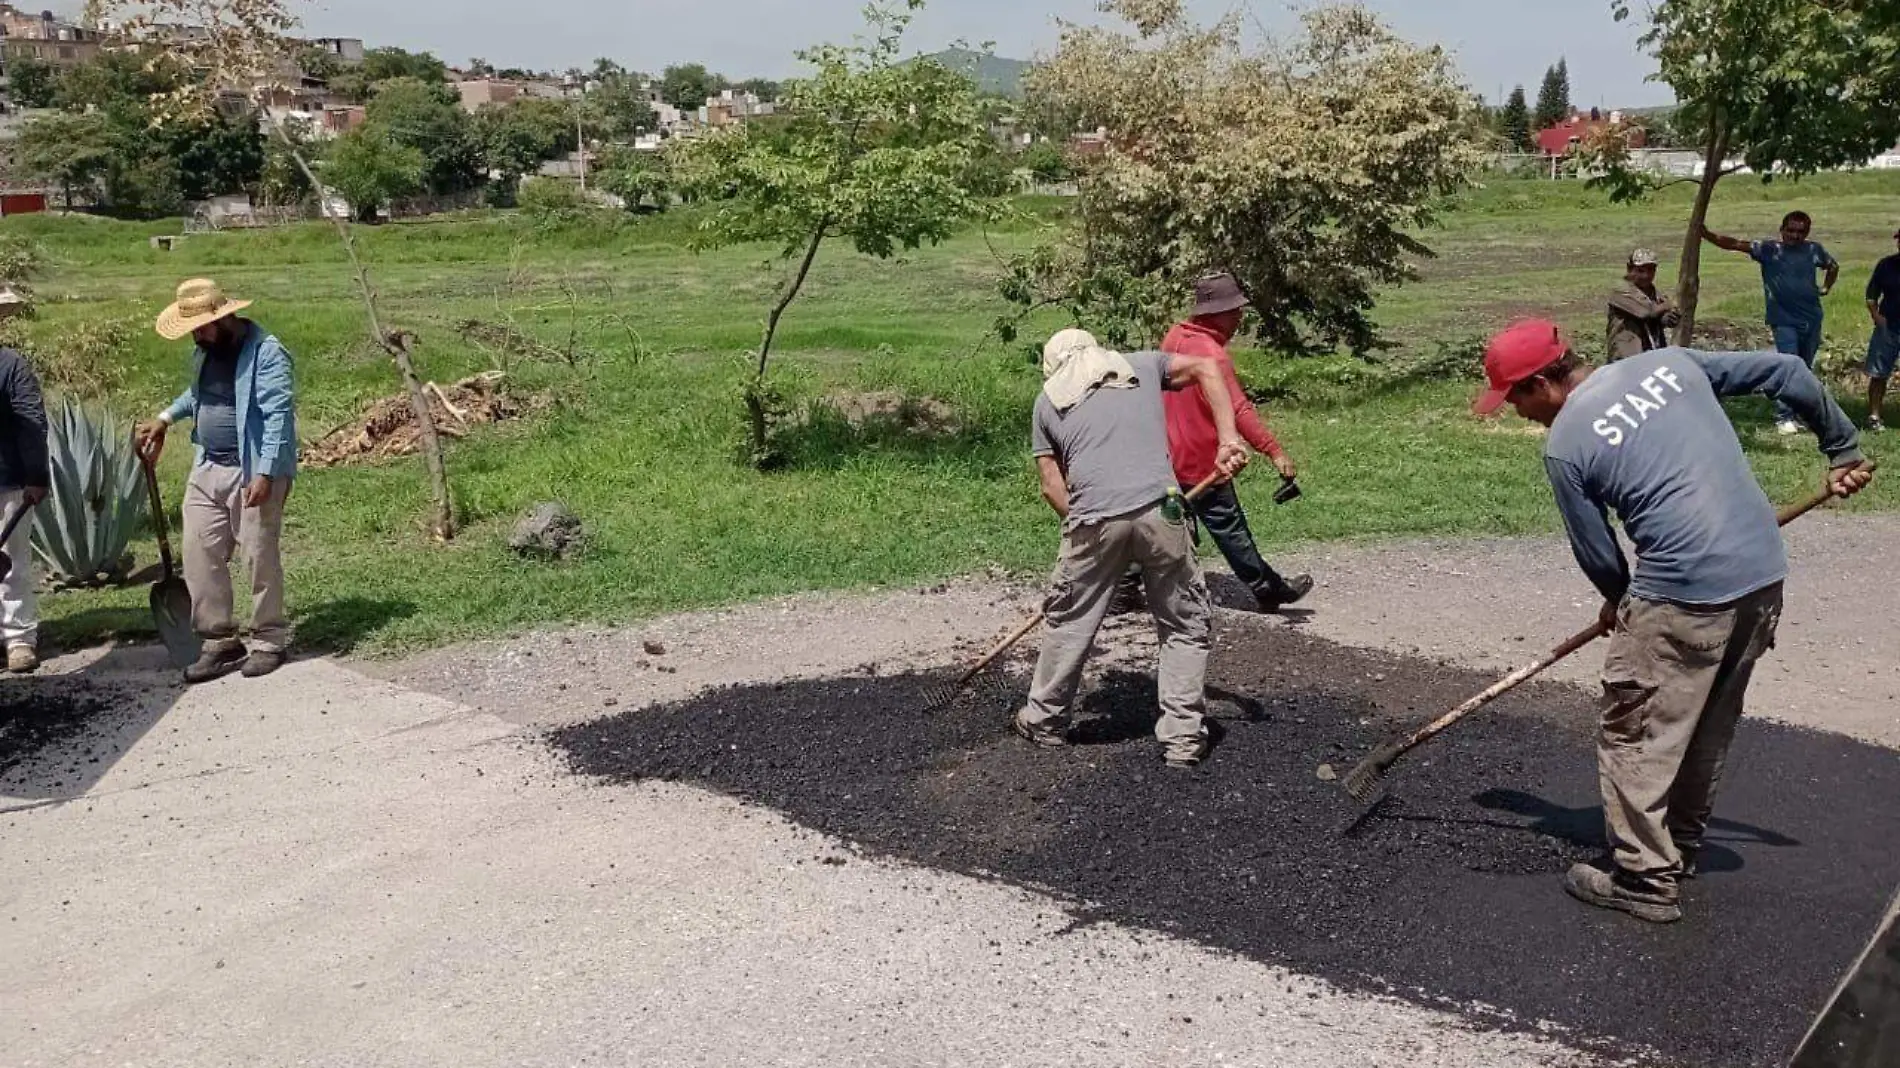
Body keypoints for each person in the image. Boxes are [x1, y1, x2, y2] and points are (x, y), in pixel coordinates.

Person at [1473, 319, 1872, 924]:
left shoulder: (1566, 445)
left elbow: (1599, 555)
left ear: (1540, 384)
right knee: (1705, 722)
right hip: (1761, 574)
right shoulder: (1671, 364)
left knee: (1634, 730)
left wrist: (1621, 602)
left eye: (1515, 399)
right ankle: (1679, 845)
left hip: (1685, 592)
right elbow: (1788, 372)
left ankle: (1643, 878)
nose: (1518, 413)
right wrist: (1842, 448)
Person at [1015, 328, 1249, 769]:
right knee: (1183, 624)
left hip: (1093, 522)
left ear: (1054, 368)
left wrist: (1089, 542)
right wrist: (1228, 440)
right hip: (1164, 513)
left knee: (1069, 620)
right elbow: (1206, 366)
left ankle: (1044, 722)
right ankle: (1182, 741)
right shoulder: (1141, 365)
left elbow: (1052, 487)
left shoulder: (1047, 403)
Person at [134, 279, 298, 684]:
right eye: (193, 329)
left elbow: (279, 416)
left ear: (225, 318)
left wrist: (264, 472)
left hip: (252, 468)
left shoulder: (266, 352)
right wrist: (165, 418)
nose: (197, 335)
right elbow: (198, 396)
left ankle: (269, 640)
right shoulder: (206, 351)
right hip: (208, 466)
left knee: (258, 555)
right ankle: (219, 639)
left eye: (203, 327)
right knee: (198, 552)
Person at [1160, 272, 1314, 612]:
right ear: (1216, 313)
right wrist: (1274, 450)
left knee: (1157, 521)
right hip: (1203, 459)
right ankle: (1267, 589)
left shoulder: (1174, 338)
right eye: (1235, 311)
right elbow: (1239, 409)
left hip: (1165, 453)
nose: (1240, 317)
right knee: (1229, 526)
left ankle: (1125, 588)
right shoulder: (1212, 354)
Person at [1702, 211, 1840, 434]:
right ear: (1782, 229)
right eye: (1791, 230)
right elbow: (1734, 244)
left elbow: (1833, 266)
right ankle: (1783, 416)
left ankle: (1799, 413)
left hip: (1812, 318)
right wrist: (1707, 235)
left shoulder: (1814, 250)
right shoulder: (1769, 250)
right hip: (1783, 319)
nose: (1795, 236)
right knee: (1788, 364)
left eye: (1800, 232)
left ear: (1807, 233)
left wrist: (1825, 288)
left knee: (1804, 368)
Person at [0, 291, 48, 674]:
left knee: (13, 562)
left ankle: (18, 639)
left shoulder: (11, 365)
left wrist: (35, 476)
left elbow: (30, 421)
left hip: (9, 483)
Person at [1606, 248, 1679, 361]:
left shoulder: (1654, 293)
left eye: (1651, 270)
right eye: (1641, 271)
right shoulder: (1621, 291)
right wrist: (1668, 305)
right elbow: (1646, 312)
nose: (1646, 275)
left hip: (1651, 355)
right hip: (1626, 358)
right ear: (1629, 269)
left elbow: (1661, 316)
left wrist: (1668, 318)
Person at [1864, 227, 1900, 433]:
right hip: (1889, 326)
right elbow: (1871, 295)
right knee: (1878, 374)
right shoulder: (1886, 265)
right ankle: (1874, 415)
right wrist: (1877, 317)